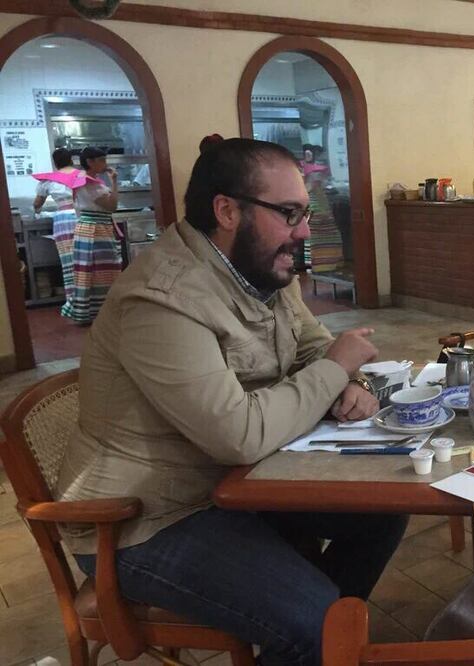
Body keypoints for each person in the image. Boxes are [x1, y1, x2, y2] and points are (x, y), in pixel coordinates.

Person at [55, 137, 407, 665]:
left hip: (233, 487)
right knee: (314, 619)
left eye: (304, 212)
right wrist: (337, 370)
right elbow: (239, 435)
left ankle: (323, 640)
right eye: (289, 213)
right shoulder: (163, 300)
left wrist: (346, 379)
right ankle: (317, 634)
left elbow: (312, 343)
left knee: (383, 513)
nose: (304, 229)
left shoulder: (258, 265)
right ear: (226, 210)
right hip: (146, 520)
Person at [62, 145, 121, 323]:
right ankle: (100, 311)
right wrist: (115, 182)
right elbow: (112, 206)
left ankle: (88, 310)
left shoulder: (82, 181)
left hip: (87, 228)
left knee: (88, 270)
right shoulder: (89, 183)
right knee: (103, 269)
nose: (105, 163)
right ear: (90, 162)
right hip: (96, 229)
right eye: (101, 160)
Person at [31, 148, 81, 309]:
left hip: (63, 221)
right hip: (82, 217)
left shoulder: (49, 181)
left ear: (55, 163)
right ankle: (92, 297)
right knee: (86, 259)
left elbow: (37, 204)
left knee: (69, 262)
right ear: (72, 160)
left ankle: (74, 302)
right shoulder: (82, 175)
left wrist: (37, 212)